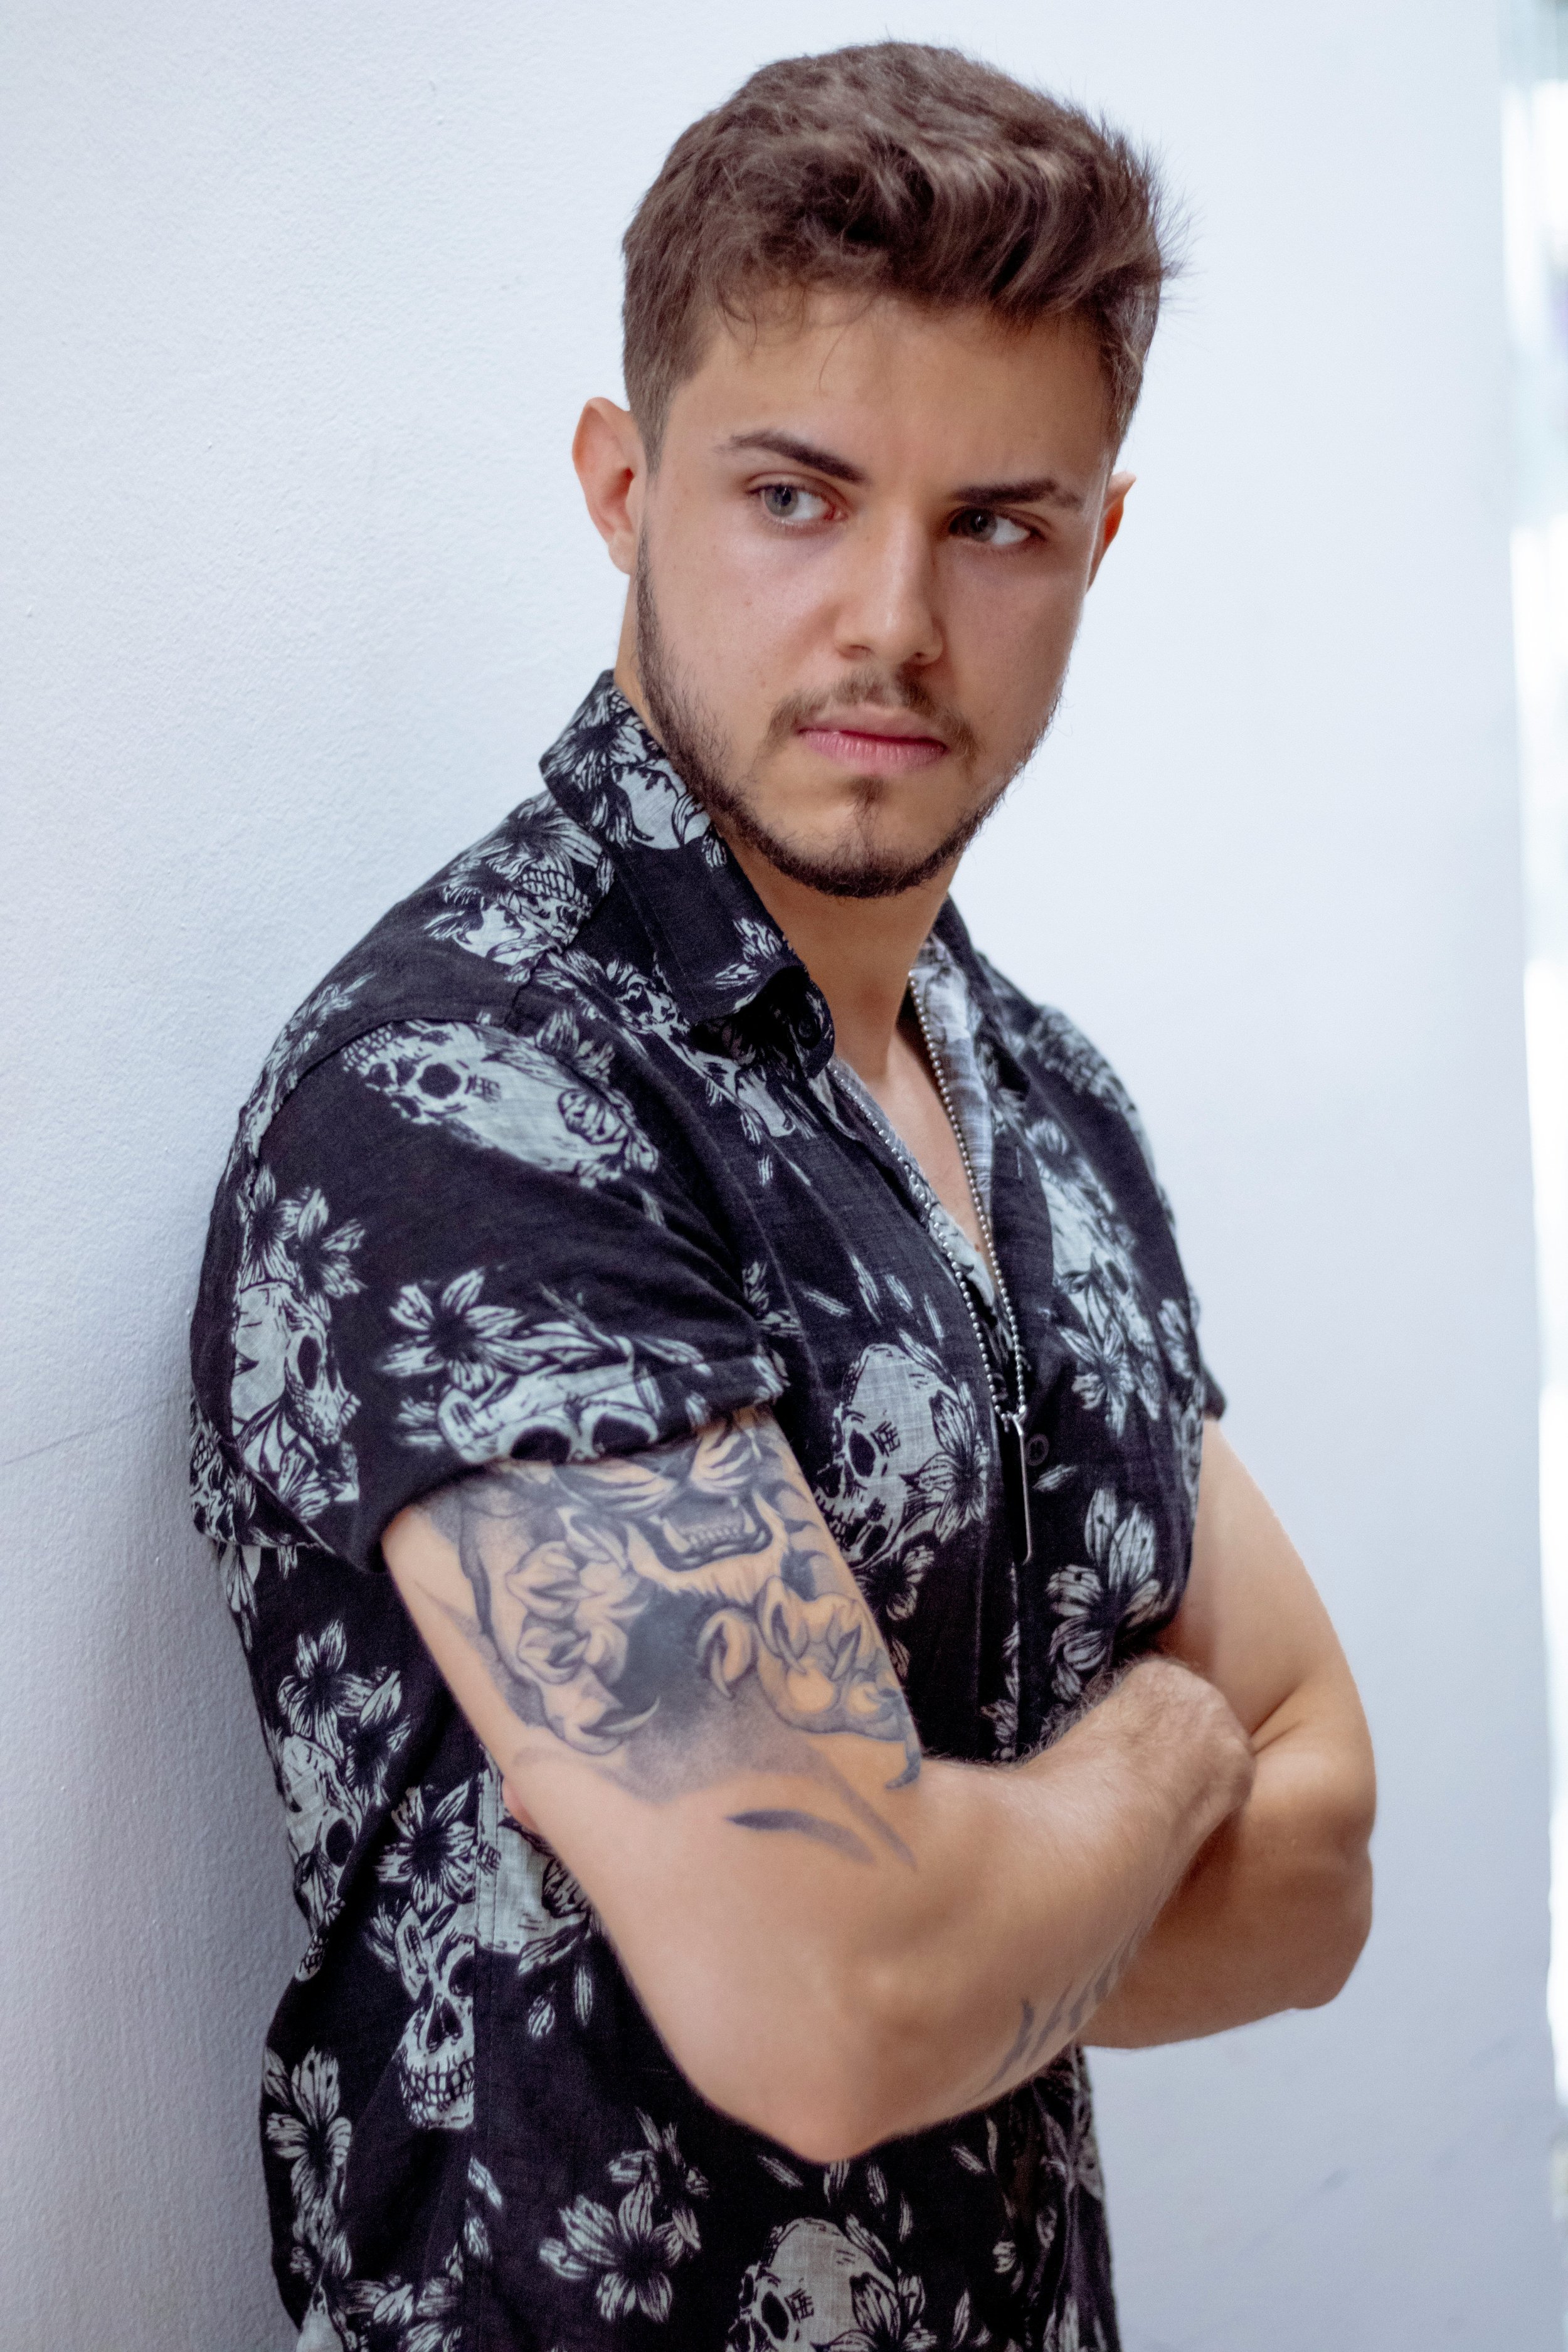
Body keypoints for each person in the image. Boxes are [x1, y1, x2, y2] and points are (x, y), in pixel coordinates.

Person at [191, 40, 1376, 2352]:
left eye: (996, 524)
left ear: (1097, 540)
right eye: (796, 497)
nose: (893, 624)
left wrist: (962, 1908)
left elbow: (1325, 1865)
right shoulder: (465, 1096)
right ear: (621, 487)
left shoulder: (1044, 1096)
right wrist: (1147, 1747)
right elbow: (837, 2010)